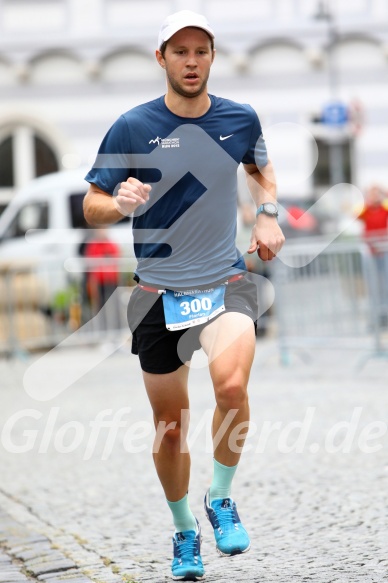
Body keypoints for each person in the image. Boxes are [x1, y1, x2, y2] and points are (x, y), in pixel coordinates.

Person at [83, 10, 284, 581]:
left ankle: (220, 498)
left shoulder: (239, 119)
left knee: (233, 385)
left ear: (212, 57)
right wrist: (118, 204)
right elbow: (91, 203)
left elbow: (262, 171)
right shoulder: (131, 126)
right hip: (156, 294)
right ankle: (184, 533)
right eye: (180, 52)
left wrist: (266, 217)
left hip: (225, 281)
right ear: (161, 58)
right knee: (171, 425)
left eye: (201, 51)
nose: (191, 61)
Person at [358, 184, 388, 325]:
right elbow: (355, 214)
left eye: (377, 194)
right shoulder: (366, 210)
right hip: (370, 254)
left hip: (384, 253)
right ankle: (376, 317)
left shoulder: (384, 209)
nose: (375, 196)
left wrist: (384, 193)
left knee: (385, 285)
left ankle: (384, 315)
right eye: (372, 194)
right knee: (373, 286)